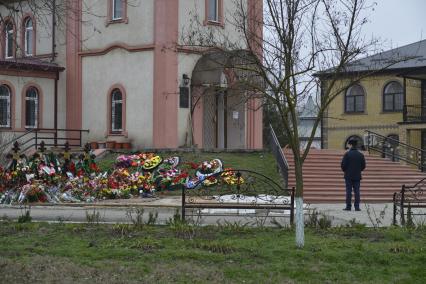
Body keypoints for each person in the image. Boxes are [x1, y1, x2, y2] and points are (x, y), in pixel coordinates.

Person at [341, 139, 366, 211]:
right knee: (357, 191)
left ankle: (348, 207)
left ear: (351, 145)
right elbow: (363, 166)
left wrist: (346, 171)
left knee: (348, 191)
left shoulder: (347, 154)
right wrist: (358, 171)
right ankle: (357, 207)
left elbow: (343, 165)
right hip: (357, 176)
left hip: (348, 176)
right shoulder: (360, 155)